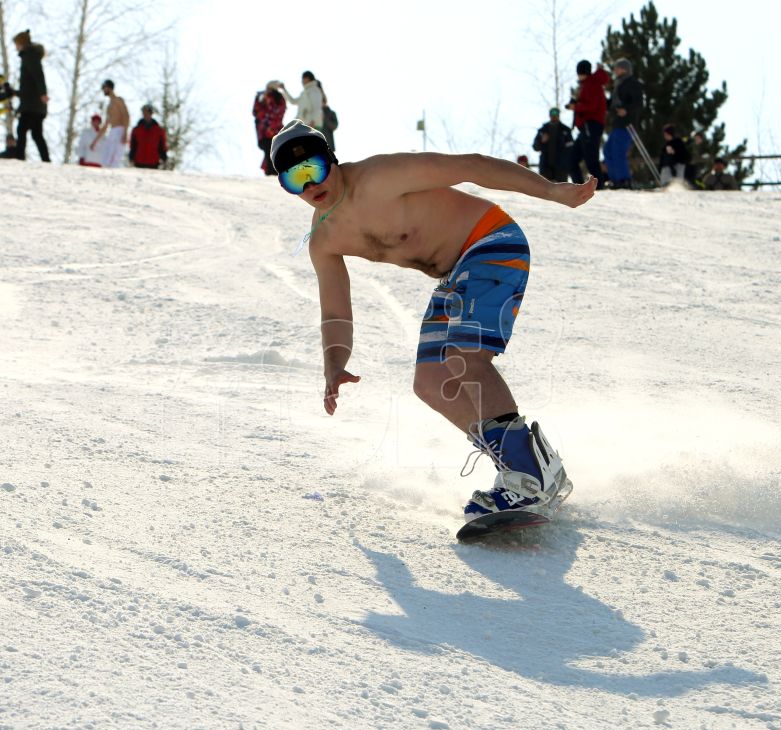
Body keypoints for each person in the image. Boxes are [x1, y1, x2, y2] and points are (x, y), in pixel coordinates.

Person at [269, 120, 596, 522]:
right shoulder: (324, 238)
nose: (309, 185)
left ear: (332, 160)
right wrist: (333, 364)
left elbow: (471, 165)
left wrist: (550, 190)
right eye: (294, 180)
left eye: (314, 168)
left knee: (465, 355)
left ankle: (527, 475)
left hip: (491, 241)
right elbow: (335, 310)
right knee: (430, 382)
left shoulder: (380, 177)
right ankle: (532, 466)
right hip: (456, 272)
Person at [566, 60, 609, 183]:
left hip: (591, 124)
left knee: (590, 159)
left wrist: (576, 107)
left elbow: (592, 105)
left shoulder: (592, 83)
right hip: (586, 126)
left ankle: (599, 187)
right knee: (573, 160)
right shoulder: (588, 84)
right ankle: (579, 188)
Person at [602, 58, 643, 189]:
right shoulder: (619, 84)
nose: (615, 70)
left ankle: (624, 179)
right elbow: (612, 103)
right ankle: (615, 179)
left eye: (617, 68)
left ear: (624, 69)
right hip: (617, 123)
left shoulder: (632, 83)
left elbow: (637, 102)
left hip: (627, 124)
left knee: (618, 151)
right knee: (608, 150)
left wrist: (626, 110)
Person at [12, 29, 50, 162]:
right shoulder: (29, 56)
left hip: (32, 105)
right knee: (36, 134)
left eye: (16, 44)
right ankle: (45, 159)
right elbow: (28, 86)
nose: (15, 47)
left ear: (21, 43)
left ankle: (19, 157)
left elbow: (38, 75)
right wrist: (14, 92)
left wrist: (42, 93)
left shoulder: (29, 56)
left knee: (22, 129)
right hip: (33, 103)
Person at [90, 79, 129, 168]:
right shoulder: (109, 106)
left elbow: (126, 116)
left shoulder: (118, 100)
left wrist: (125, 133)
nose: (103, 90)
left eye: (104, 87)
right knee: (105, 158)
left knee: (115, 159)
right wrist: (95, 142)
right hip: (113, 131)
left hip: (120, 130)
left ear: (109, 88)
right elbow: (105, 126)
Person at [253, 81, 287, 175]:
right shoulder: (277, 98)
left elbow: (257, 111)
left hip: (268, 131)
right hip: (273, 131)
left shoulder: (270, 97)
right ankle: (273, 172)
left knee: (271, 154)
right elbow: (257, 111)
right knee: (273, 153)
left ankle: (272, 173)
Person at [532, 107, 574, 182]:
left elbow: (571, 149)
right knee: (544, 191)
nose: (554, 115)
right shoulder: (542, 130)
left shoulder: (565, 130)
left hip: (561, 168)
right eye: (552, 113)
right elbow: (535, 147)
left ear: (559, 115)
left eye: (556, 113)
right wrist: (541, 141)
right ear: (549, 115)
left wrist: (566, 160)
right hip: (545, 167)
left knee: (562, 191)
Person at [129, 104, 168, 169]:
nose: (145, 114)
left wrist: (164, 159)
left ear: (151, 113)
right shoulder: (136, 130)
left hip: (154, 163)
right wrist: (131, 158)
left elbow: (162, 146)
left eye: (147, 112)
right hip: (139, 162)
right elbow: (133, 145)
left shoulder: (159, 130)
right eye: (144, 112)